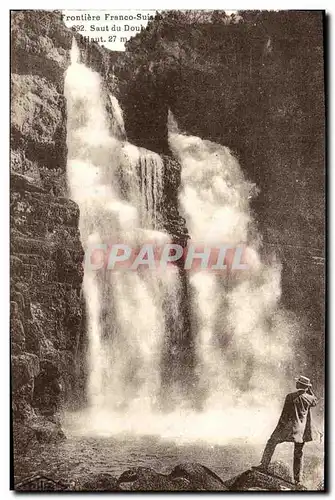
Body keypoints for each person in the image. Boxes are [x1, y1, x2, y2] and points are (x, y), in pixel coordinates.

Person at [258, 375, 318, 487]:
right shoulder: (310, 399)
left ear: (299, 385)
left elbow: (284, 415)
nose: (296, 383)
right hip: (301, 431)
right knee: (298, 454)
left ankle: (263, 465)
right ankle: (297, 480)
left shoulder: (290, 396)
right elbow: (315, 401)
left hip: (289, 428)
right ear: (306, 387)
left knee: (271, 442)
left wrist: (278, 429)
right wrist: (309, 390)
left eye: (298, 383)